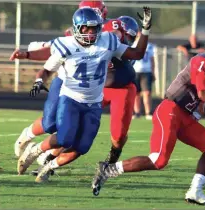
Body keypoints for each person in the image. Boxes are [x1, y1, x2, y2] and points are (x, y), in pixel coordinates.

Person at [92, 33, 205, 206]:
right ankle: (108, 169)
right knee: (158, 160)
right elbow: (203, 92)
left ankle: (195, 191)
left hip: (185, 116)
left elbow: (201, 102)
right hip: (170, 111)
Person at [10, 6, 152, 183]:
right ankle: (35, 151)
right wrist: (36, 73)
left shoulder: (107, 40)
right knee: (62, 135)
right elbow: (48, 64)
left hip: (94, 100)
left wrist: (145, 30)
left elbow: (137, 53)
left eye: (94, 28)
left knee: (82, 146)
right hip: (71, 96)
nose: (91, 33)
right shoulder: (67, 44)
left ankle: (47, 167)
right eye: (87, 28)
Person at [132, 33, 156, 120]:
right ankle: (137, 112)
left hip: (147, 71)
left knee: (147, 93)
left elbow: (152, 60)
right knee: (136, 93)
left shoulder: (149, 46)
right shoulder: (132, 45)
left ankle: (148, 112)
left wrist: (153, 72)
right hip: (135, 71)